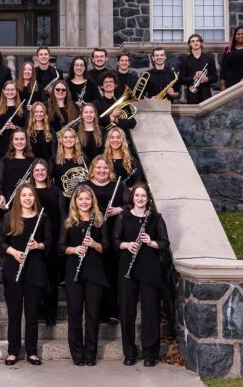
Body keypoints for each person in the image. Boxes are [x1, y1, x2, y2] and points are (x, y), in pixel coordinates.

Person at [112, 183, 171, 368]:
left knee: (151, 311)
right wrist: (126, 245)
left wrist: (151, 242)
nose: (139, 198)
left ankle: (150, 353)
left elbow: (164, 243)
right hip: (127, 268)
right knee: (127, 310)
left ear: (148, 199)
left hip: (149, 269)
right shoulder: (123, 216)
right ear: (132, 198)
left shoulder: (155, 218)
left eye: (143, 196)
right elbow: (114, 241)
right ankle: (129, 352)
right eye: (137, 195)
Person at [0, 183, 51, 366]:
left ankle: (32, 352)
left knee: (32, 314)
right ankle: (13, 352)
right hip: (13, 267)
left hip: (34, 269)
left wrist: (39, 245)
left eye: (30, 195)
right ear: (18, 198)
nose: (27, 198)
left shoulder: (42, 218)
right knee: (14, 313)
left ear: (34, 198)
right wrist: (13, 252)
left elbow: (49, 242)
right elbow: (1, 243)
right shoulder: (9, 218)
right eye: (23, 195)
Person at [58, 184, 107, 366]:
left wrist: (94, 244)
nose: (84, 202)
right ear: (75, 201)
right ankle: (77, 354)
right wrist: (74, 249)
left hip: (95, 272)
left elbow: (107, 247)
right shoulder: (69, 221)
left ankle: (90, 354)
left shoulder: (99, 221)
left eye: (87, 198)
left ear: (92, 200)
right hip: (74, 271)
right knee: (75, 313)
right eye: (80, 199)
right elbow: (60, 247)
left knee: (93, 314)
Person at [85, 156, 129, 325]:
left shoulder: (118, 186)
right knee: (94, 275)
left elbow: (132, 205)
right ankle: (94, 312)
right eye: (98, 168)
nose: (101, 171)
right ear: (93, 169)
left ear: (110, 169)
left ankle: (111, 312)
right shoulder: (85, 186)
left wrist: (119, 209)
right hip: (92, 236)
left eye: (105, 168)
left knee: (111, 274)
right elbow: (75, 206)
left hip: (112, 235)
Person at [31, 159, 64, 326]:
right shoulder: (28, 192)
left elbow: (63, 217)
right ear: (32, 173)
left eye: (42, 170)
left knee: (51, 278)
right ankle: (37, 312)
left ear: (47, 172)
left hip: (52, 240)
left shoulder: (56, 191)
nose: (40, 173)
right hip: (34, 240)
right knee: (36, 278)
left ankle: (51, 314)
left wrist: (61, 241)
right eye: (36, 170)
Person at [0, 129, 35, 211]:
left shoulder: (32, 161)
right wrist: (1, 196)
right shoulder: (4, 160)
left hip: (28, 201)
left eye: (22, 139)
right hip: (9, 201)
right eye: (16, 139)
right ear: (12, 141)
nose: (19, 142)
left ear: (26, 141)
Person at [0, 81, 27, 161]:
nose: (10, 92)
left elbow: (28, 128)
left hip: (18, 147)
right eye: (7, 90)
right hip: (1, 146)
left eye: (12, 89)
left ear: (16, 91)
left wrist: (15, 127)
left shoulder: (22, 109)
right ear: (3, 91)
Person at [50, 127, 88, 203]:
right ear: (61, 140)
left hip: (81, 200)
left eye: (71, 137)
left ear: (75, 140)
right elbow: (48, 181)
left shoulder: (83, 159)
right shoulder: (54, 160)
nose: (68, 139)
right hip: (63, 200)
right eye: (65, 137)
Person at [179, 34, 218, 104]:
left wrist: (207, 79)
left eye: (197, 40)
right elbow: (181, 79)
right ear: (190, 44)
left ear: (201, 43)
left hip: (206, 95)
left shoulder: (209, 58)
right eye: (193, 41)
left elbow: (215, 77)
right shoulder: (185, 60)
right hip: (192, 96)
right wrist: (193, 78)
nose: (195, 43)